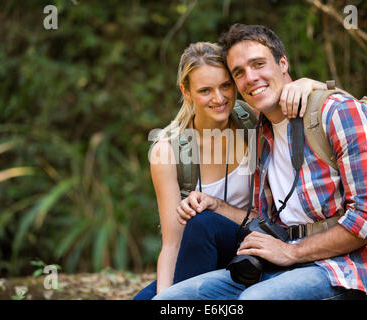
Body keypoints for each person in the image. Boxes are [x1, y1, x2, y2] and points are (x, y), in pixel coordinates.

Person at [153, 24, 367, 300]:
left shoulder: (338, 113)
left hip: (350, 269)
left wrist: (292, 252)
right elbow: (265, 219)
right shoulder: (262, 133)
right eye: (239, 73)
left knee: (252, 300)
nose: (251, 78)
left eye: (258, 64)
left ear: (283, 63)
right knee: (169, 301)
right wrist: (217, 206)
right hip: (282, 263)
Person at [134, 41, 329, 299]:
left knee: (203, 221)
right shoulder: (168, 151)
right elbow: (172, 244)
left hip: (257, 242)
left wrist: (311, 83)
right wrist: (165, 298)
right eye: (205, 90)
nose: (219, 98)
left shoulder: (252, 117)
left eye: (225, 86)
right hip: (200, 253)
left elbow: (296, 94)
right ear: (186, 91)